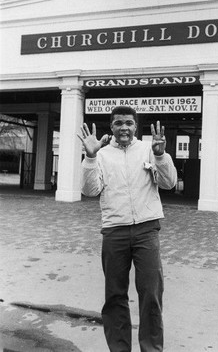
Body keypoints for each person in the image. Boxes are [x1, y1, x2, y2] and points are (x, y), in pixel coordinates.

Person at [78, 106, 177, 352]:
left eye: (129, 123)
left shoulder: (149, 149)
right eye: (119, 123)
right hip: (114, 232)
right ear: (111, 127)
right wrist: (90, 158)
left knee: (151, 295)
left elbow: (169, 183)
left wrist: (162, 156)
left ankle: (151, 348)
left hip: (147, 230)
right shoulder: (101, 155)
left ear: (136, 127)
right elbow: (89, 191)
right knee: (114, 296)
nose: (124, 128)